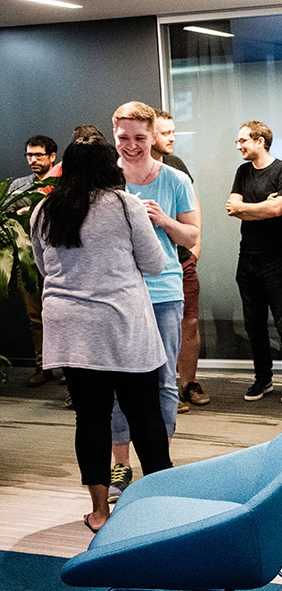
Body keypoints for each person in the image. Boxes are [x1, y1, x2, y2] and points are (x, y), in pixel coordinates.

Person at [30, 136, 172, 533]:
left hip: (72, 331)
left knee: (90, 419)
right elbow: (155, 263)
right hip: (122, 326)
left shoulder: (44, 209)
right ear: (111, 166)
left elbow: (44, 267)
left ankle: (99, 511)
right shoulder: (125, 205)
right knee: (145, 415)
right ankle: (161, 505)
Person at [108, 101, 199, 502]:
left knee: (163, 380)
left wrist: (163, 220)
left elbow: (192, 236)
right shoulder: (106, 182)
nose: (131, 145)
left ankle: (159, 464)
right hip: (118, 296)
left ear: (152, 137)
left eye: (139, 137)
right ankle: (120, 465)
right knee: (117, 382)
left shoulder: (175, 180)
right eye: (123, 137)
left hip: (163, 294)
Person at [226, 121, 282, 403]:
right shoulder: (242, 171)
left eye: (243, 140)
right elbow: (231, 208)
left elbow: (277, 209)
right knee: (254, 324)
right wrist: (261, 207)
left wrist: (249, 208)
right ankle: (263, 379)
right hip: (247, 257)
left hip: (277, 258)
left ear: (260, 141)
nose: (238, 146)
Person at [151, 108, 208, 411]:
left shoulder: (176, 166)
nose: (172, 138)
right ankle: (165, 389)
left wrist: (195, 247)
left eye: (173, 132)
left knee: (190, 322)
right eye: (166, 133)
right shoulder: (129, 172)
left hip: (183, 259)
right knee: (158, 327)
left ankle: (189, 383)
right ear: (150, 135)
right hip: (152, 266)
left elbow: (193, 207)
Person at [13, 135, 59, 387]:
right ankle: (43, 366)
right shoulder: (18, 186)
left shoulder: (63, 183)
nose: (33, 160)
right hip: (28, 259)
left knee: (62, 314)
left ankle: (69, 367)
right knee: (35, 316)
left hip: (58, 259)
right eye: (29, 155)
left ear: (52, 156)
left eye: (38, 155)